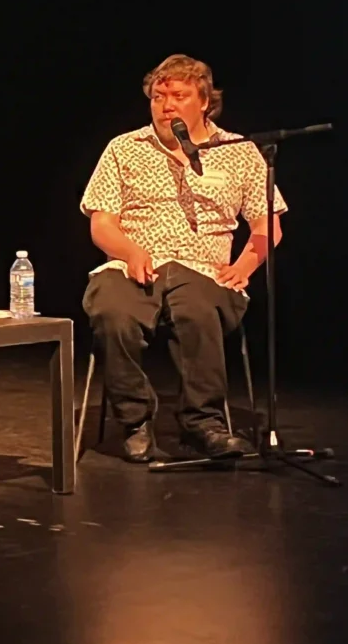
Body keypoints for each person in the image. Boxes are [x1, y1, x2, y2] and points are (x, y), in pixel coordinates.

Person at [79, 54, 286, 462]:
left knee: (196, 310)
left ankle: (203, 424)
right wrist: (130, 250)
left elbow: (269, 224)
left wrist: (244, 266)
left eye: (178, 96)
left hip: (205, 269)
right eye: (158, 97)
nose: (166, 106)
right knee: (111, 310)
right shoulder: (124, 148)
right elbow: (101, 224)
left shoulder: (238, 151)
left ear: (205, 101)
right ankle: (135, 421)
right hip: (133, 264)